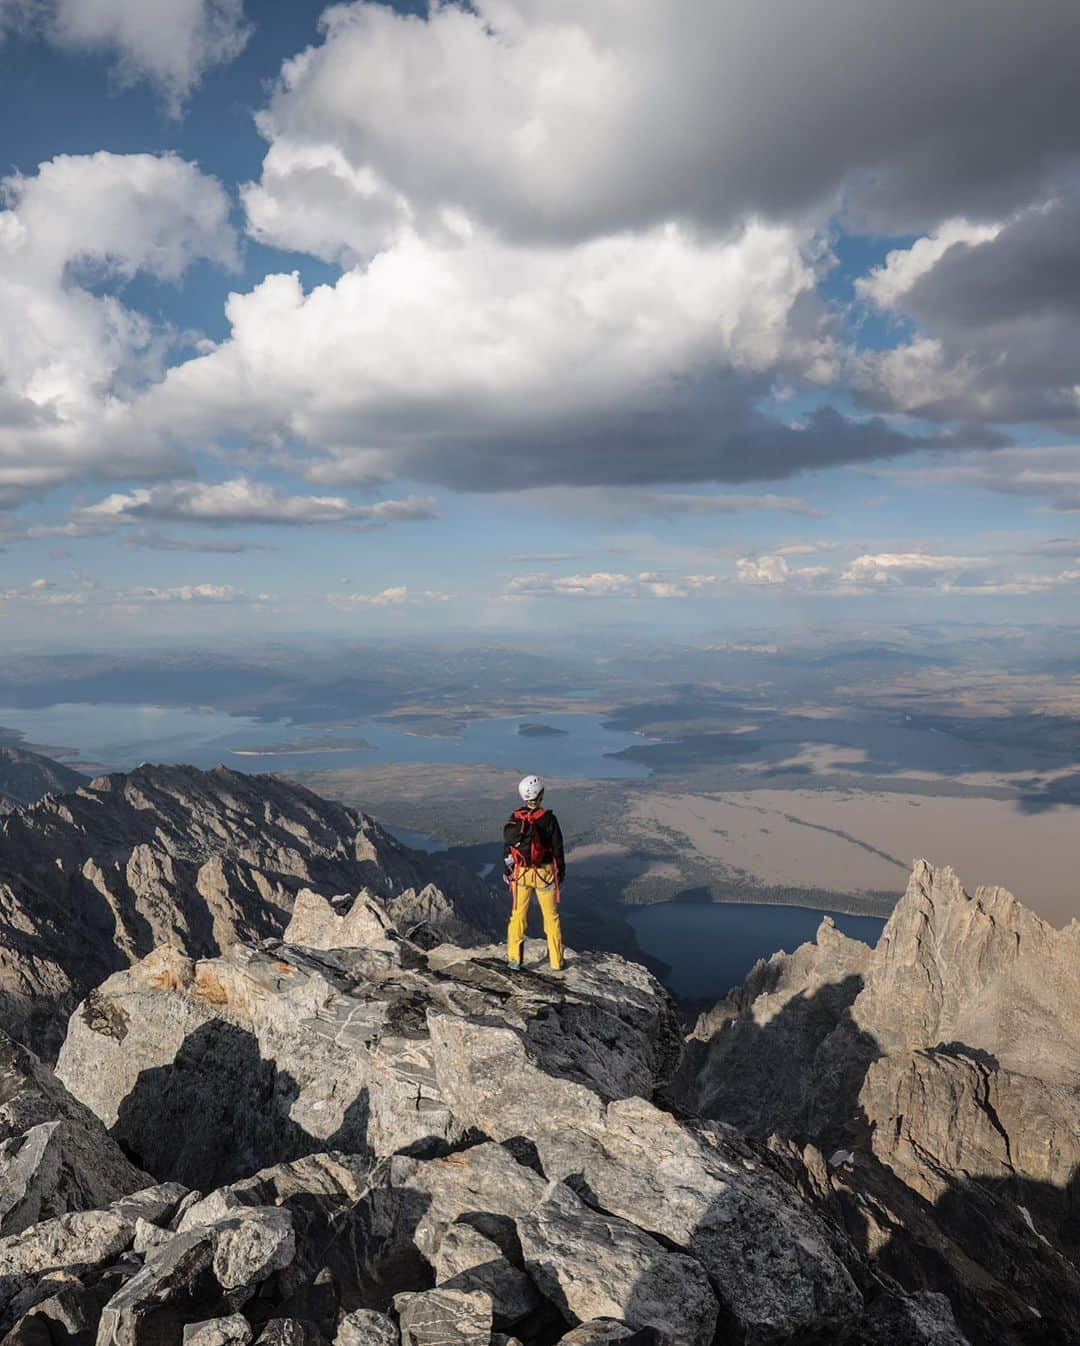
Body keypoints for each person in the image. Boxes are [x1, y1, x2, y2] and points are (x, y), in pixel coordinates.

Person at [503, 773, 565, 971]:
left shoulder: (516, 819)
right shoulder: (548, 820)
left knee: (518, 916)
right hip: (544, 874)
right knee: (551, 918)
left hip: (521, 874)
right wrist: (560, 874)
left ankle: (514, 959)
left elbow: (508, 847)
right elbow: (558, 849)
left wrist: (508, 869)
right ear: (540, 795)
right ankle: (556, 962)